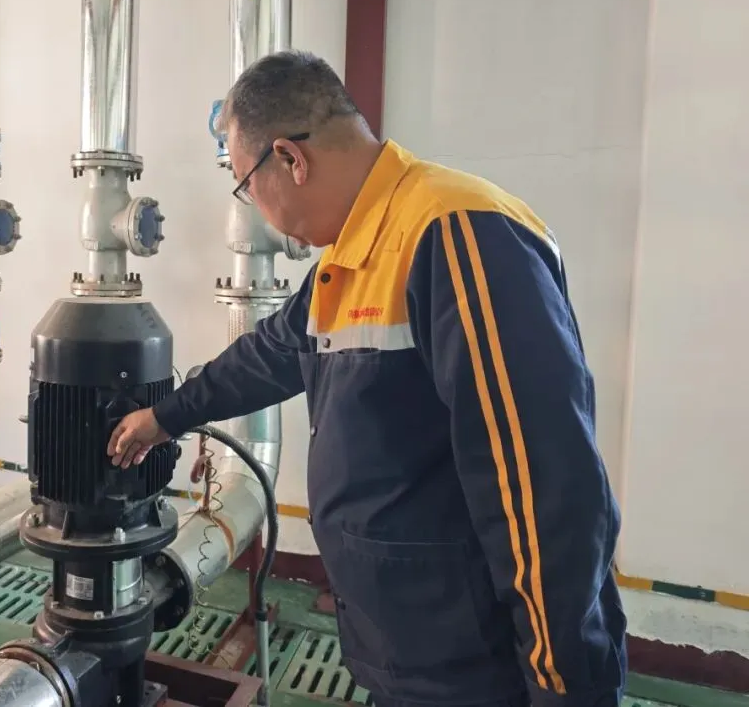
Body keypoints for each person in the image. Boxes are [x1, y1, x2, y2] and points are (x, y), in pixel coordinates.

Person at [107, 51, 626, 707]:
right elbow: (267, 355)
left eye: (246, 185)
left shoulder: (456, 234)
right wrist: (166, 417)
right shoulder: (353, 258)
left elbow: (542, 486)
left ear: (289, 160)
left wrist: (563, 686)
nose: (256, 209)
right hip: (407, 651)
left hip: (478, 668)